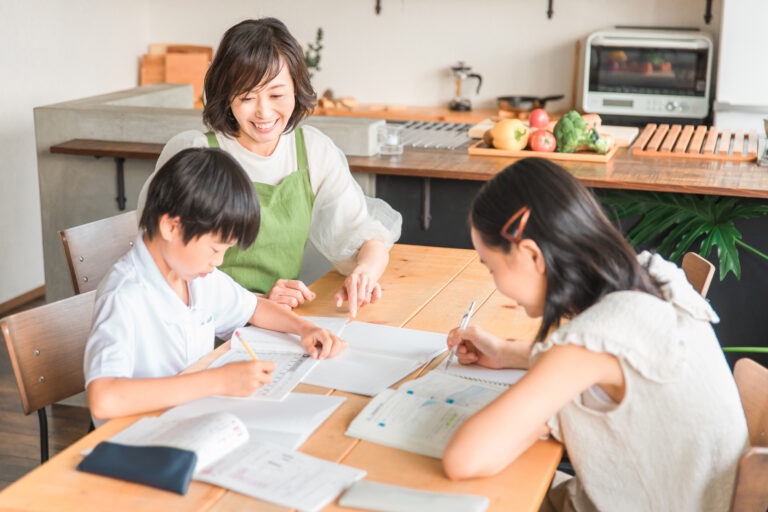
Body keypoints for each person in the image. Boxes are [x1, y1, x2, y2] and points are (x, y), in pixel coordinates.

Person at [441, 158, 748, 511]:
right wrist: (506, 353)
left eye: (491, 266)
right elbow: (611, 363)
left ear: (531, 255)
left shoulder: (590, 342)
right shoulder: (651, 277)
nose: (496, 283)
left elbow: (463, 460)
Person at [137, 17, 401, 317]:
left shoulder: (312, 150)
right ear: (226, 96)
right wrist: (256, 302)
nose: (264, 111)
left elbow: (364, 235)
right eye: (247, 97)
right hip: (204, 330)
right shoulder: (194, 153)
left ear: (296, 88)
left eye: (277, 95)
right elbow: (161, 266)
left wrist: (363, 273)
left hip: (280, 325)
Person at [85, 148, 346, 425]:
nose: (218, 262)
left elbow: (254, 308)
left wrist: (304, 329)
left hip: (192, 419)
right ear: (171, 227)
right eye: (215, 249)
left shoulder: (194, 276)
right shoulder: (124, 295)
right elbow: (103, 399)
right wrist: (217, 381)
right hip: (139, 436)